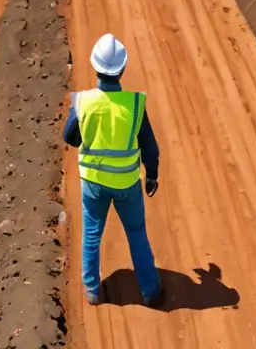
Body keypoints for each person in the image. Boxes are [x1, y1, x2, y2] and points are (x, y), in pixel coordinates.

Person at [63, 33, 163, 307]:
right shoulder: (134, 104)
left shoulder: (83, 102)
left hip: (93, 183)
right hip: (127, 185)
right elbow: (150, 148)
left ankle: (93, 291)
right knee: (137, 234)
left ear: (95, 67)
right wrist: (151, 176)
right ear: (122, 69)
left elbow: (70, 137)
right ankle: (150, 290)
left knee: (92, 235)